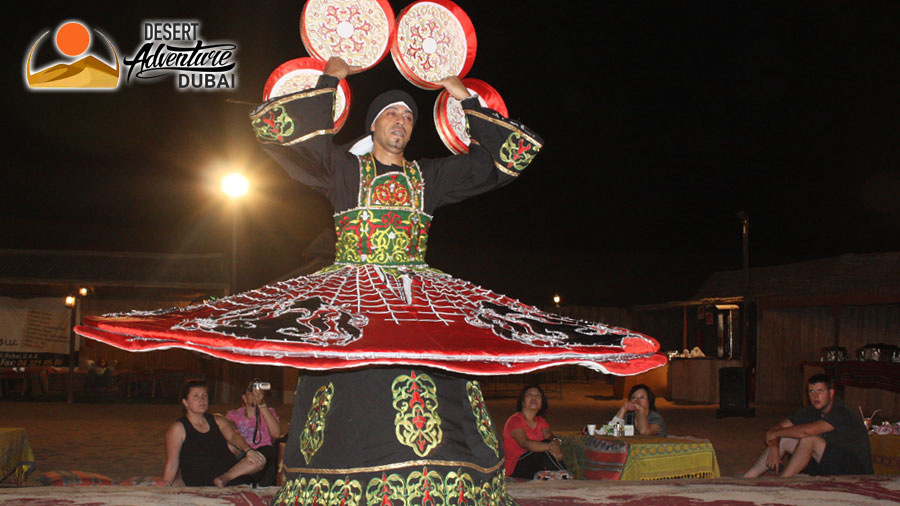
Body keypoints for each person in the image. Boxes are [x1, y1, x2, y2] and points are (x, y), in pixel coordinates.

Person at [76, 53, 665, 504]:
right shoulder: (342, 169)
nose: (402, 125)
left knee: (438, 362)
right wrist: (328, 78)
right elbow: (277, 133)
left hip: (416, 292)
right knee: (347, 370)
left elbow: (509, 160)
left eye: (410, 117)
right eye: (392, 116)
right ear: (374, 124)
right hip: (351, 294)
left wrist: (463, 99)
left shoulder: (430, 177)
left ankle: (449, 477)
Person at [742, 374, 873, 478]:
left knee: (809, 439)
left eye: (820, 391)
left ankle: (783, 481)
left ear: (831, 393)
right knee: (787, 439)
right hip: (827, 464)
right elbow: (776, 428)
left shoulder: (841, 412)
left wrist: (775, 434)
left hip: (853, 470)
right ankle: (748, 477)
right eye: (811, 391)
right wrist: (774, 446)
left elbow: (806, 431)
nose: (815, 396)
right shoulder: (812, 410)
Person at [162, 380, 267, 487]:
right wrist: (166, 484)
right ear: (185, 402)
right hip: (198, 477)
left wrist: (248, 450)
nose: (202, 400)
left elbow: (233, 435)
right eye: (196, 397)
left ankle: (225, 478)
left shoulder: (218, 420)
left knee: (259, 459)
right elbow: (172, 463)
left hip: (224, 472)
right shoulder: (178, 429)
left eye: (204, 396)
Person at [225, 379, 282, 486]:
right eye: (251, 390)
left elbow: (276, 434)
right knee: (229, 444)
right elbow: (228, 432)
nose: (255, 393)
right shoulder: (234, 414)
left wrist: (262, 405)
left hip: (262, 459)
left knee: (269, 451)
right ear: (244, 397)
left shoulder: (268, 412)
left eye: (258, 390)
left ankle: (226, 477)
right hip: (241, 456)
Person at [503, 385, 567, 478]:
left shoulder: (541, 421)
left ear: (541, 404)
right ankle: (565, 476)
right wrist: (549, 447)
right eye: (529, 395)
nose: (534, 397)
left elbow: (549, 436)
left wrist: (556, 444)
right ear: (522, 402)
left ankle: (559, 476)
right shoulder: (515, 420)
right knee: (544, 448)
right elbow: (525, 443)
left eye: (537, 396)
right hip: (515, 468)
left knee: (548, 445)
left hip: (534, 467)